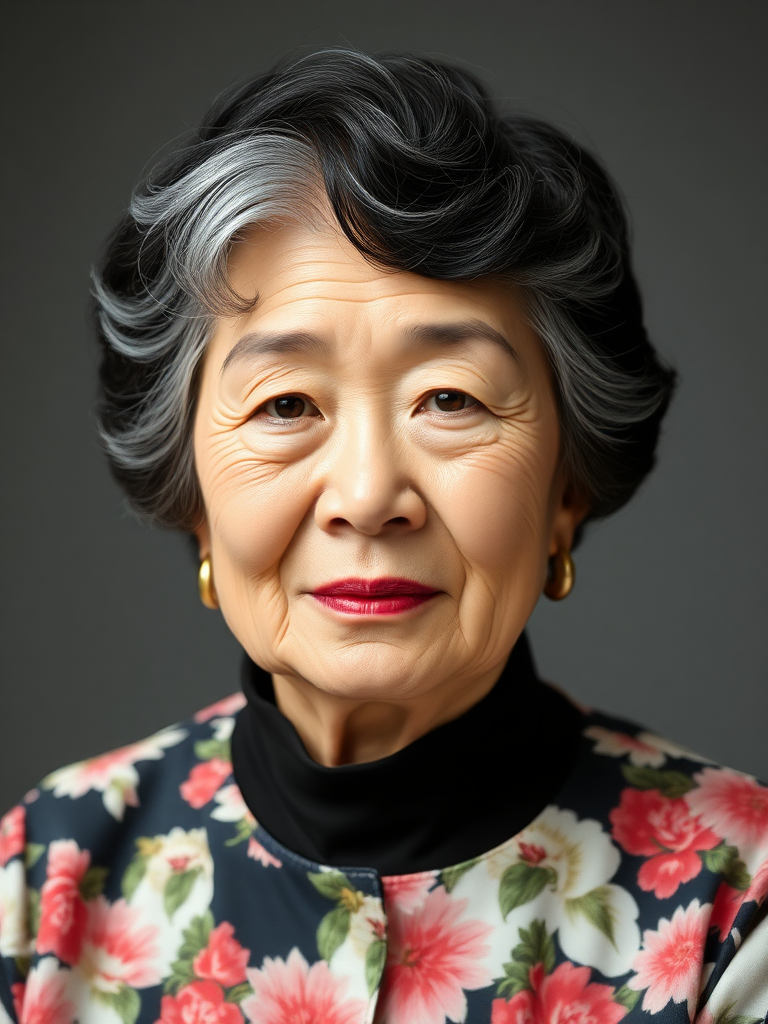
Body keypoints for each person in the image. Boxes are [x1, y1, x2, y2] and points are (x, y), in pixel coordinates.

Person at [0, 48, 765, 1024]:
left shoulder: (737, 900)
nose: (367, 497)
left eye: (449, 398)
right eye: (285, 404)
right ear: (190, 489)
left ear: (565, 491)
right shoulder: (44, 885)